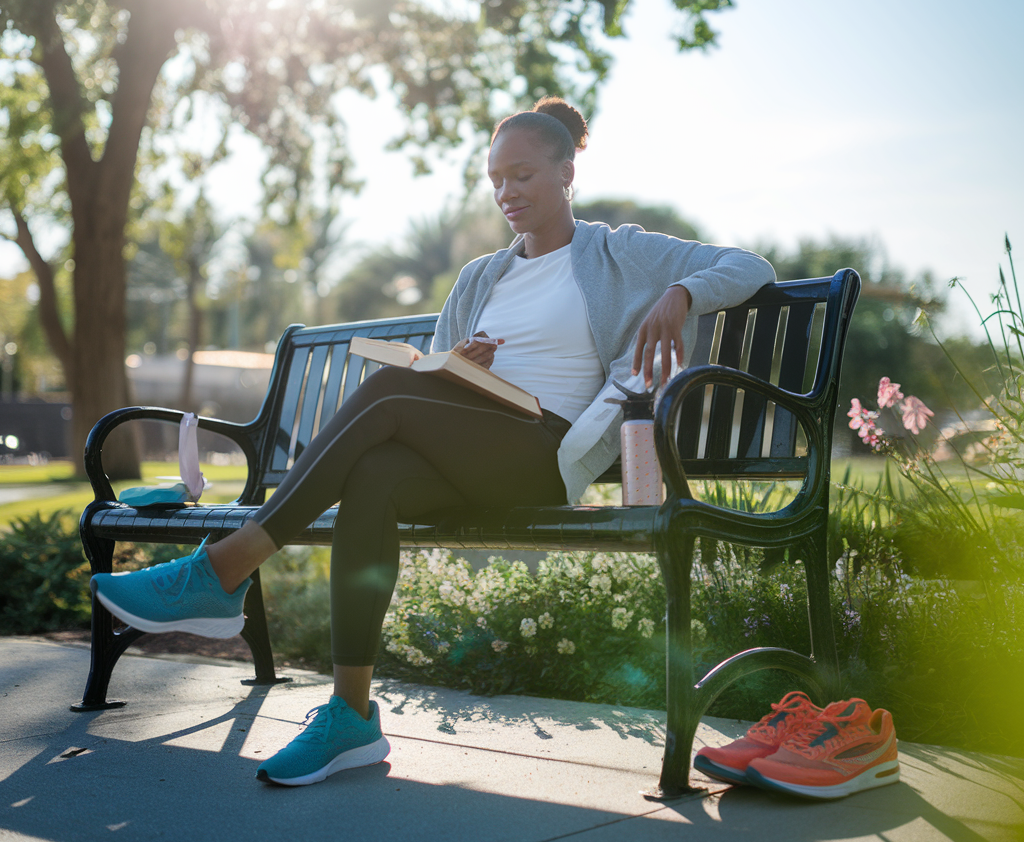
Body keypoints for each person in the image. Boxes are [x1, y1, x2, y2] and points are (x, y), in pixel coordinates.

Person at [92, 97, 776, 787]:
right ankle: (351, 717)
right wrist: (462, 367)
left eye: (523, 175)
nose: (507, 192)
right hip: (471, 447)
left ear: (567, 173)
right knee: (377, 475)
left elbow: (749, 266)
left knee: (388, 396)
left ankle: (223, 570)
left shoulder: (617, 250)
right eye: (496, 179)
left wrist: (682, 291)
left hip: (545, 455)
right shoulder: (483, 275)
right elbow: (433, 376)